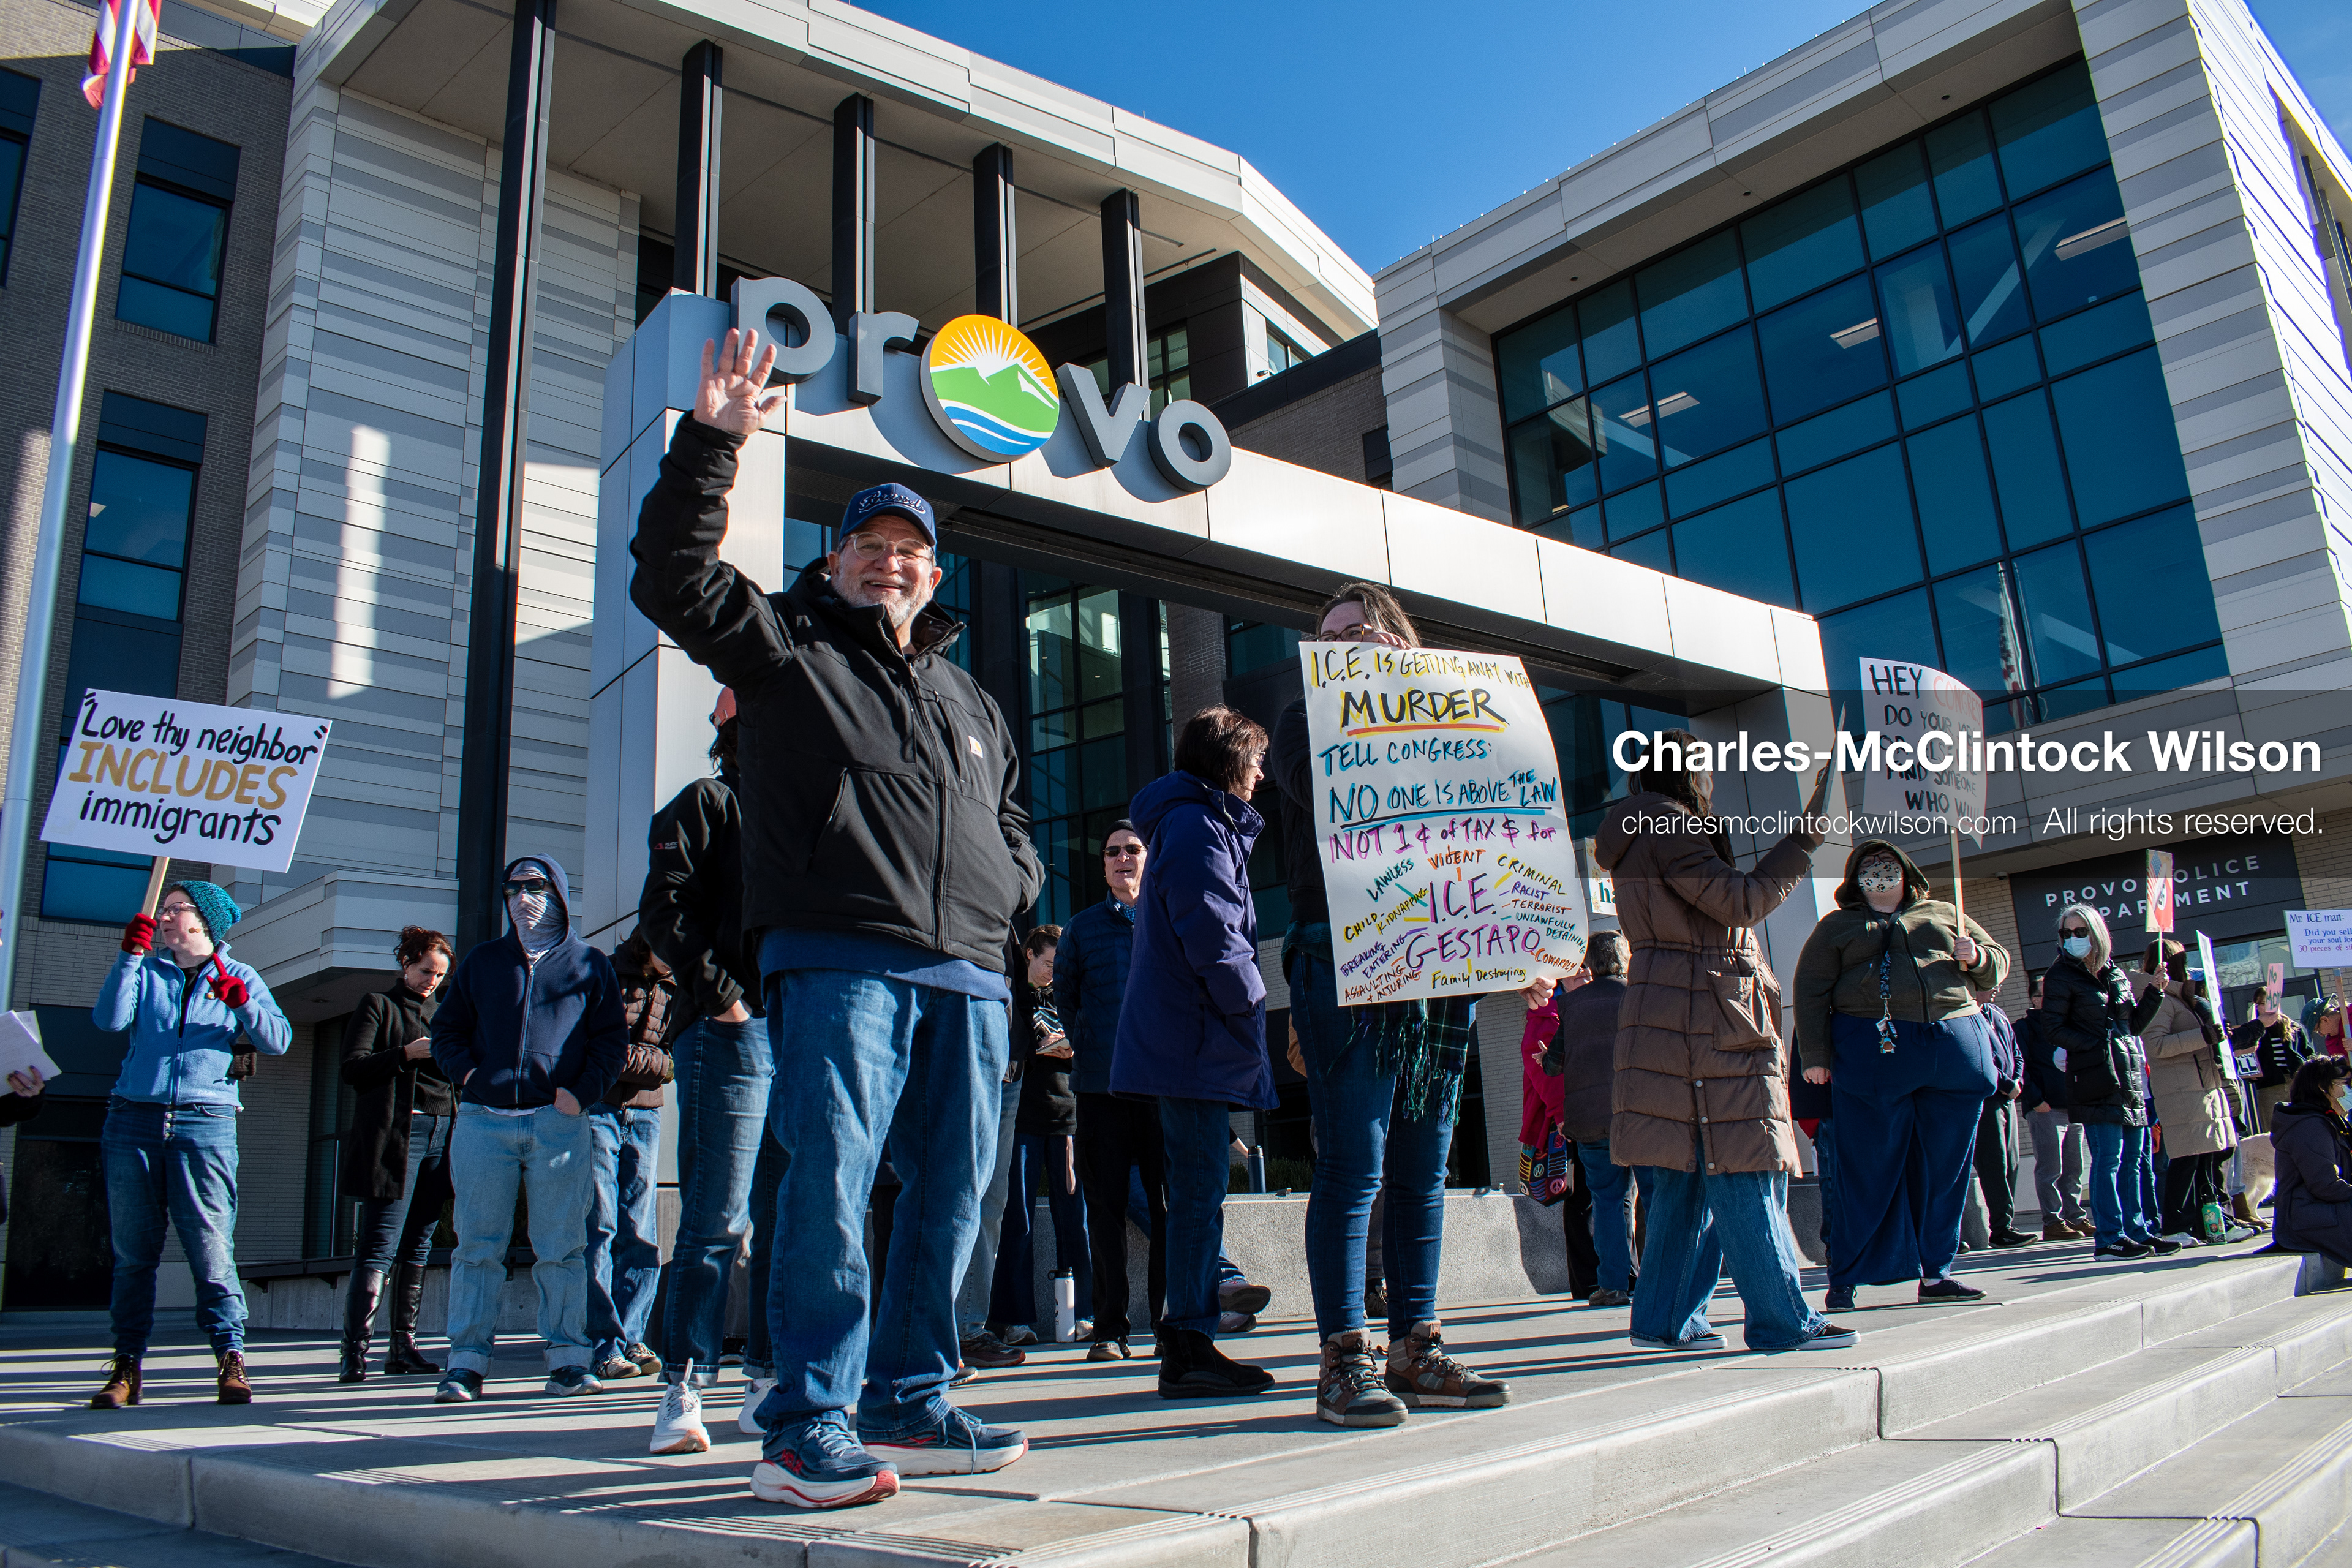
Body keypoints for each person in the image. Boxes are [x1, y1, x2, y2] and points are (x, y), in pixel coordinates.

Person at [630, 326, 1041, 1508]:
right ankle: (804, 1421)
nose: (889, 562)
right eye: (869, 544)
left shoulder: (972, 698)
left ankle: (911, 1402)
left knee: (953, 1192)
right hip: (840, 960)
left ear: (936, 574)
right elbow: (671, 577)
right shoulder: (785, 651)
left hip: (967, 974)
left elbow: (1013, 822)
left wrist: (1009, 894)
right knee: (830, 1185)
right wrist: (714, 444)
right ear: (838, 557)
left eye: (910, 549)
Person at [1269, 584, 1509, 1430]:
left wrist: (1517, 939)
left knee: (1423, 1170)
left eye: (1365, 630)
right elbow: (1324, 795)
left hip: (1440, 961)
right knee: (1354, 1163)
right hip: (1345, 955)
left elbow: (1497, 828)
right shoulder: (1306, 717)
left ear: (1401, 639)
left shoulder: (1462, 723)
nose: (1348, 642)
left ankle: (1417, 1342)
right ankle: (1344, 1357)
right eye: (1332, 636)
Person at [1597, 732, 1849, 1354]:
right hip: (1708, 1013)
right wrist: (1805, 839)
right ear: (1687, 773)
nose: (1713, 779)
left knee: (1684, 1179)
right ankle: (1783, 1320)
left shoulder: (1634, 829)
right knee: (1747, 1164)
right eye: (1706, 768)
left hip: (1665, 1007)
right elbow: (1741, 901)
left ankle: (1664, 1320)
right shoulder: (1671, 824)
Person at [1114, 707, 1277, 1400]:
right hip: (1195, 1040)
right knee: (1197, 1194)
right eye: (1255, 761)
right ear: (1228, 762)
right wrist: (1253, 1001)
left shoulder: (1193, 821)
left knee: (1195, 1192)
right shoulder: (1196, 824)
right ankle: (1187, 1346)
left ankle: (1188, 1341)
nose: (1262, 774)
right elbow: (1213, 933)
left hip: (1191, 1039)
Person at [428, 856, 627, 1403]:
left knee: (562, 1247)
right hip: (483, 1124)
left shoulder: (590, 965)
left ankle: (567, 1359)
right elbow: (446, 1030)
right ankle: (466, 1363)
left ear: (559, 894)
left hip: (557, 1125)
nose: (522, 899)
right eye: (512, 889)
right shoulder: (482, 962)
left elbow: (612, 1041)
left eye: (534, 888)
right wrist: (472, 1075)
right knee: (476, 1247)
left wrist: (578, 1096)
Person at [87, 881, 291, 1409]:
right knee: (134, 1254)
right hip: (134, 1118)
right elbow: (109, 1020)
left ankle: (230, 1358)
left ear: (204, 922)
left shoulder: (240, 975)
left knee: (211, 1249)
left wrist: (243, 1004)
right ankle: (126, 1365)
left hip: (207, 1121)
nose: (165, 916)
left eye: (176, 908)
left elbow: (277, 1040)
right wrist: (129, 958)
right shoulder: (149, 971)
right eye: (164, 908)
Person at [1791, 841, 2010, 1311]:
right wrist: (1816, 1054)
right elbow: (1810, 991)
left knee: (1945, 1172)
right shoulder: (1837, 928)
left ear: (1908, 872)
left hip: (1952, 1050)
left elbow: (1998, 962)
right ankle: (1845, 1276)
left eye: (1887, 863)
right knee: (1865, 1170)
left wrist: (1978, 958)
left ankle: (1937, 1273)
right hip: (1873, 1056)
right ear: (1854, 879)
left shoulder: (1946, 913)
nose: (1879, 870)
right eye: (1868, 865)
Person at [642, 687, 770, 1450]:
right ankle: (681, 1386)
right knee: (718, 1217)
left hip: (801, 1027)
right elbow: (663, 908)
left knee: (790, 1221)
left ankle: (767, 1381)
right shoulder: (706, 803)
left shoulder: (803, 806)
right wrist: (723, 997)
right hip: (730, 1033)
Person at [1056, 820, 1166, 1362]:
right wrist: (1089, 1045)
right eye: (1112, 852)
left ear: (1149, 857)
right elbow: (1066, 999)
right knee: (1104, 1211)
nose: (1122, 858)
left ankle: (1172, 1326)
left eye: (1132, 849)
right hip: (1101, 1088)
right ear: (1103, 866)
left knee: (1168, 1208)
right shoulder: (1080, 929)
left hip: (1165, 1088)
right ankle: (1109, 1329)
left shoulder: (1169, 917)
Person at [337, 925, 457, 1382]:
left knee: (420, 1243)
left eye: (441, 974)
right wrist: (405, 1053)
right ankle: (355, 1352)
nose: (433, 980)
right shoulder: (378, 1005)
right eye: (426, 970)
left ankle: (403, 1348)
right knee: (379, 1244)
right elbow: (353, 1068)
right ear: (406, 964)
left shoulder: (447, 1013)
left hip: (443, 1132)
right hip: (398, 1133)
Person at [2042, 904, 2177, 1262]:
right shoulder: (2060, 976)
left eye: (2080, 932)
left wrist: (2156, 992)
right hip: (2095, 1077)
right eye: (2066, 933)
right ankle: (2110, 1237)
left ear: (2097, 933)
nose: (2072, 939)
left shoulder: (2114, 973)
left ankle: (2138, 1231)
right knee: (2109, 1159)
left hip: (2129, 1076)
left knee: (2135, 1159)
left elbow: (2131, 1025)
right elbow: (2053, 1028)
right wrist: (2096, 1044)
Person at [991, 926, 1093, 1343]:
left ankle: (1085, 1312)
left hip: (1067, 1119)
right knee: (1018, 1220)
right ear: (1029, 956)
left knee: (1076, 1221)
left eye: (1059, 965)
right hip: (1022, 1121)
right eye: (1047, 963)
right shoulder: (1014, 997)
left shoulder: (1070, 997)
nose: (1054, 972)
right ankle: (1014, 1319)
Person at [585, 934, 676, 1384]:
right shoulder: (600, 970)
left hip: (647, 1112)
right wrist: (652, 1061)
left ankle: (633, 1337)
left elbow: (675, 1060)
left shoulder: (679, 985)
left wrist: (633, 1059)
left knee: (641, 1233)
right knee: (600, 1228)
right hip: (596, 1109)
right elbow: (590, 1048)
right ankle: (605, 1345)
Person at [1544, 931, 1637, 1305]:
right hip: (1637, 1115)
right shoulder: (1636, 995)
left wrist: (1546, 1059)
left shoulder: (1573, 1004)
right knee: (1654, 1196)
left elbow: (1553, 1063)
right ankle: (1655, 1281)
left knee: (1606, 1201)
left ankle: (1613, 1285)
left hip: (1590, 1121)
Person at [2135, 938, 2239, 1246]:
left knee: (2205, 1160)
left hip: (2200, 1086)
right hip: (2180, 1089)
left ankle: (2214, 1223)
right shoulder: (2158, 999)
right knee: (2186, 1161)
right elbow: (2155, 1046)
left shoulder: (2180, 997)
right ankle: (2176, 1225)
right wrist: (2202, 1035)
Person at [2018, 974, 2091, 1240]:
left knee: (2074, 1169)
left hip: (2074, 1107)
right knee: (2051, 1168)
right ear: (2036, 1000)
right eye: (2048, 995)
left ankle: (2076, 1218)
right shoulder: (2025, 1029)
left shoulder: (2067, 1026)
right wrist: (2036, 1100)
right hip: (2045, 1110)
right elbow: (2021, 1066)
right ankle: (2053, 1222)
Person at [2268, 1056, 2352, 1267]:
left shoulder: (2332, 1120)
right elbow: (2325, 1186)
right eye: (2347, 1084)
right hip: (2307, 1217)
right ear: (2322, 1088)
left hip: (2326, 1210)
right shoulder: (2309, 1126)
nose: (2350, 1090)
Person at [1973, 989, 2035, 1251]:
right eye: (1991, 983)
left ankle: (2006, 1224)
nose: (1998, 988)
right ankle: (2001, 1228)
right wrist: (2005, 1083)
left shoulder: (1997, 1013)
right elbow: (1979, 1057)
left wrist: (2017, 1080)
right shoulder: (1969, 1015)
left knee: (2012, 1162)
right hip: (1987, 1100)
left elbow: (2016, 1052)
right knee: (1994, 1163)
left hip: (2008, 1098)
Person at [2239, 993, 2313, 1129]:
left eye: (2270, 1002)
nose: (2267, 1007)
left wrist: (2307, 1077)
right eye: (2262, 1003)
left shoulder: (2294, 1027)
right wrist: (2250, 1075)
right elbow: (2243, 1058)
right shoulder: (2251, 1030)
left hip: (2296, 1084)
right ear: (2256, 1006)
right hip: (2269, 1086)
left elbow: (2309, 1055)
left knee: (2304, 1124)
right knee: (2273, 1128)